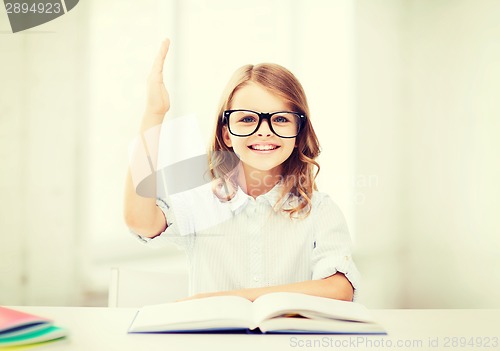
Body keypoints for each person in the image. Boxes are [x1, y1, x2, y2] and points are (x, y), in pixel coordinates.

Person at [124, 39, 360, 302]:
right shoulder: (200, 204)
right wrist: (154, 113)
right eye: (247, 119)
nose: (264, 130)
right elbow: (140, 221)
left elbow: (340, 290)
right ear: (226, 134)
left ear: (298, 132)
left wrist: (235, 297)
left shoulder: (320, 211)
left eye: (280, 119)